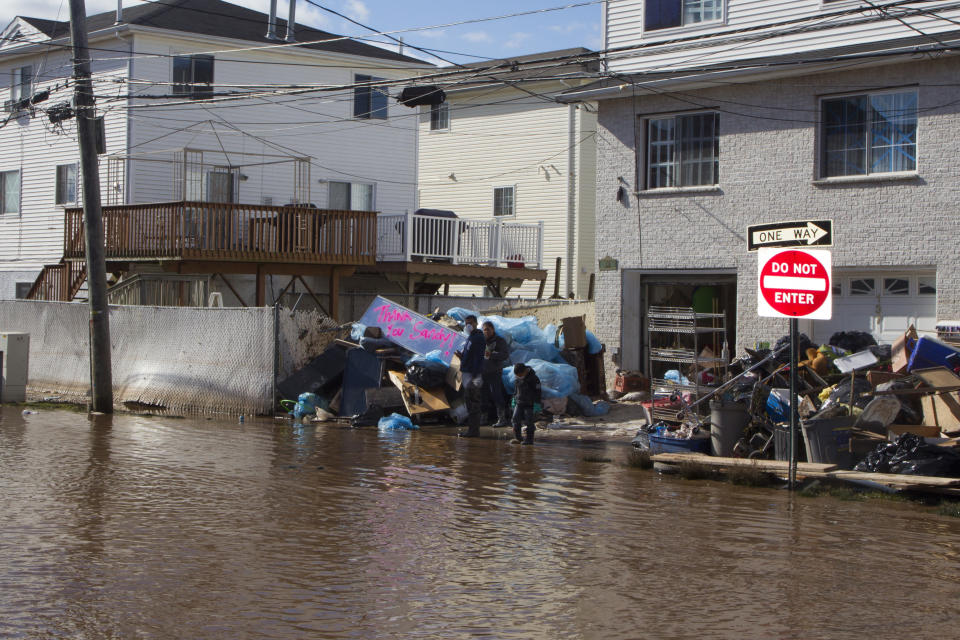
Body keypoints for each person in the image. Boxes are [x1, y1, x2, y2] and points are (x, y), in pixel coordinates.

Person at [456, 314, 486, 437]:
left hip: (473, 375)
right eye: (466, 323)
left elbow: (478, 358)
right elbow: (470, 356)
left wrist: (474, 376)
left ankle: (473, 431)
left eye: (470, 323)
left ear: (475, 323)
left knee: (473, 403)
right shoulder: (471, 337)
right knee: (470, 402)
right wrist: (461, 357)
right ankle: (472, 430)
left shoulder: (478, 338)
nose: (467, 325)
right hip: (468, 373)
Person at [481, 321, 511, 427]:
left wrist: (492, 354)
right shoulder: (481, 341)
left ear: (493, 329)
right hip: (483, 372)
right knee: (483, 395)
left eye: (488, 329)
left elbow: (505, 355)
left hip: (494, 372)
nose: (487, 332)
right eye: (484, 330)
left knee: (496, 395)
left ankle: (502, 419)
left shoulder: (499, 341)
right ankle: (484, 418)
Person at [511, 362, 542, 445]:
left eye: (520, 374)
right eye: (517, 375)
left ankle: (529, 439)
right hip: (519, 402)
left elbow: (538, 392)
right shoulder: (518, 378)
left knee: (529, 421)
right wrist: (514, 399)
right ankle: (518, 438)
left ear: (525, 371)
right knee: (515, 419)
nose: (519, 376)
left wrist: (537, 404)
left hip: (530, 404)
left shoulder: (534, 379)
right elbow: (516, 389)